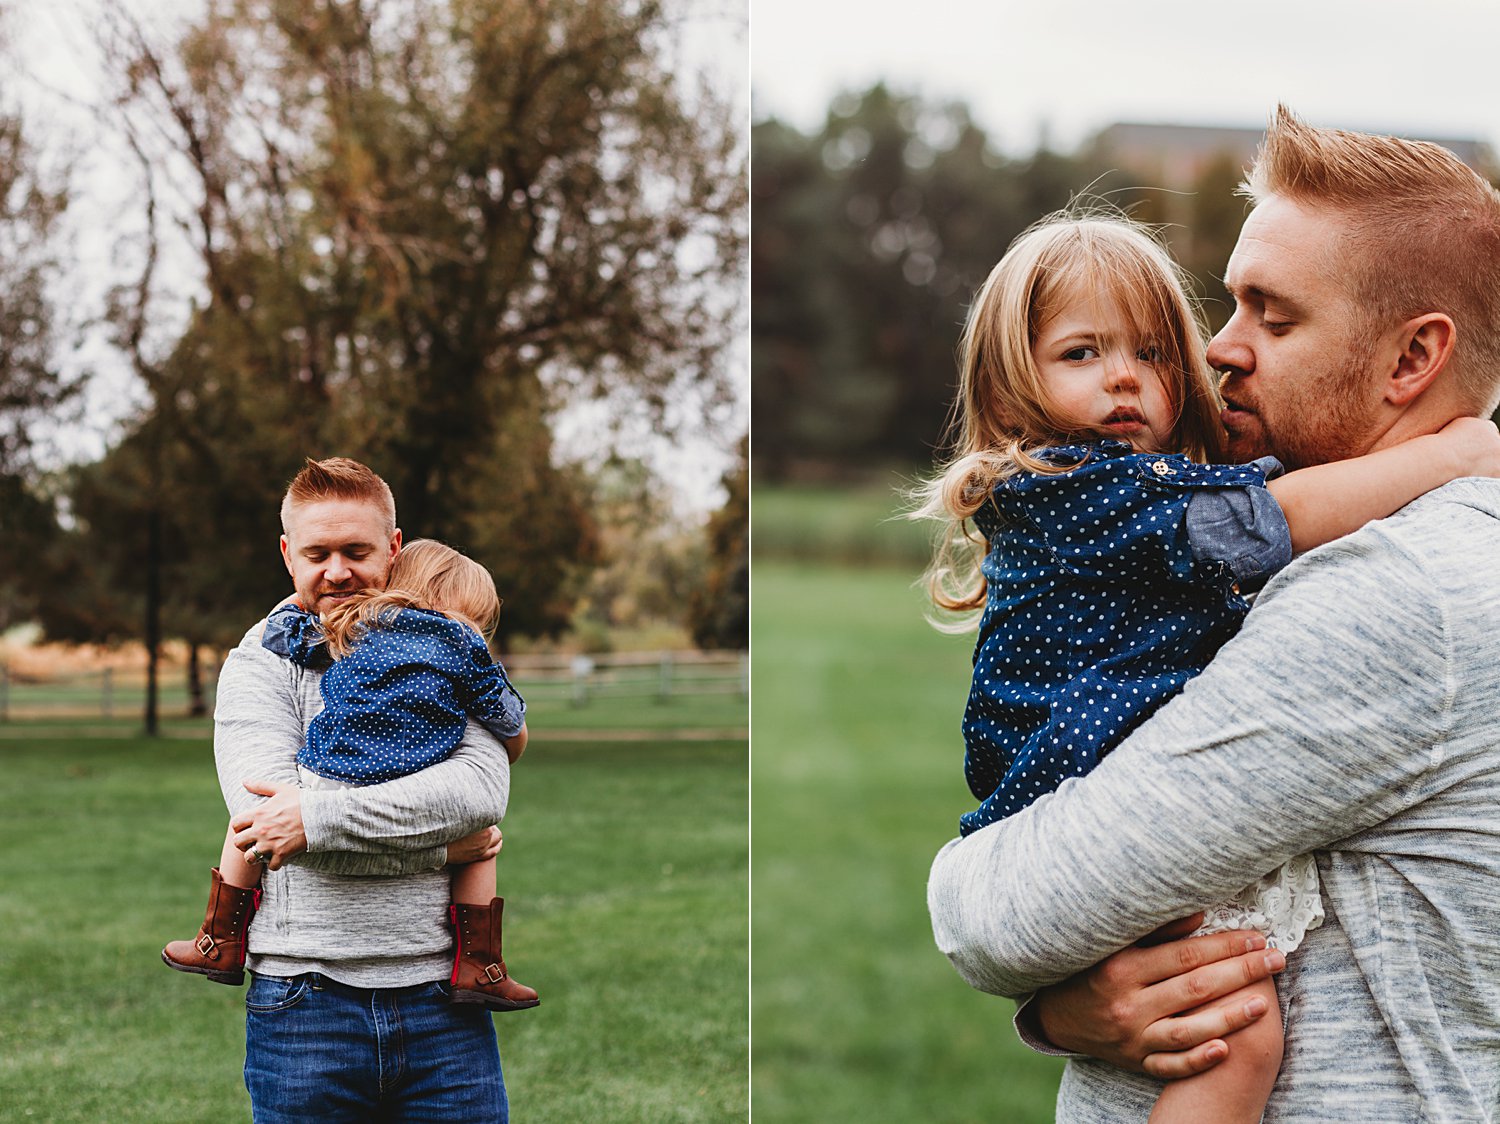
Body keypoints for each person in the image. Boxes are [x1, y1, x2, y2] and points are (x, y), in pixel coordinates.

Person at [927, 106, 1500, 1121]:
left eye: (1272, 318)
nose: (1215, 351)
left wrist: (1029, 972)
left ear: (1412, 360)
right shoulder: (1379, 538)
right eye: (1227, 307)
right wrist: (1065, 1014)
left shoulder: (1397, 591)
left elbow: (1009, 913)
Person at [180, 456, 515, 1120]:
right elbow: (270, 830)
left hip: (443, 1003)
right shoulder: (258, 666)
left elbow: (479, 792)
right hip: (301, 1006)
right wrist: (442, 850)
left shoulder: (443, 645)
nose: (337, 570)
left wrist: (318, 816)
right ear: (287, 556)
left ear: (393, 548)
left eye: (356, 551)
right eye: (318, 552)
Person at [163, 537, 539, 1012]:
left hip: (328, 769)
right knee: (481, 845)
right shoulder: (463, 646)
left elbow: (284, 633)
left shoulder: (357, 623)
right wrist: (442, 849)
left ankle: (219, 939)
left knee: (253, 826)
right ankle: (480, 965)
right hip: (410, 780)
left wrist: (301, 598)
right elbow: (508, 723)